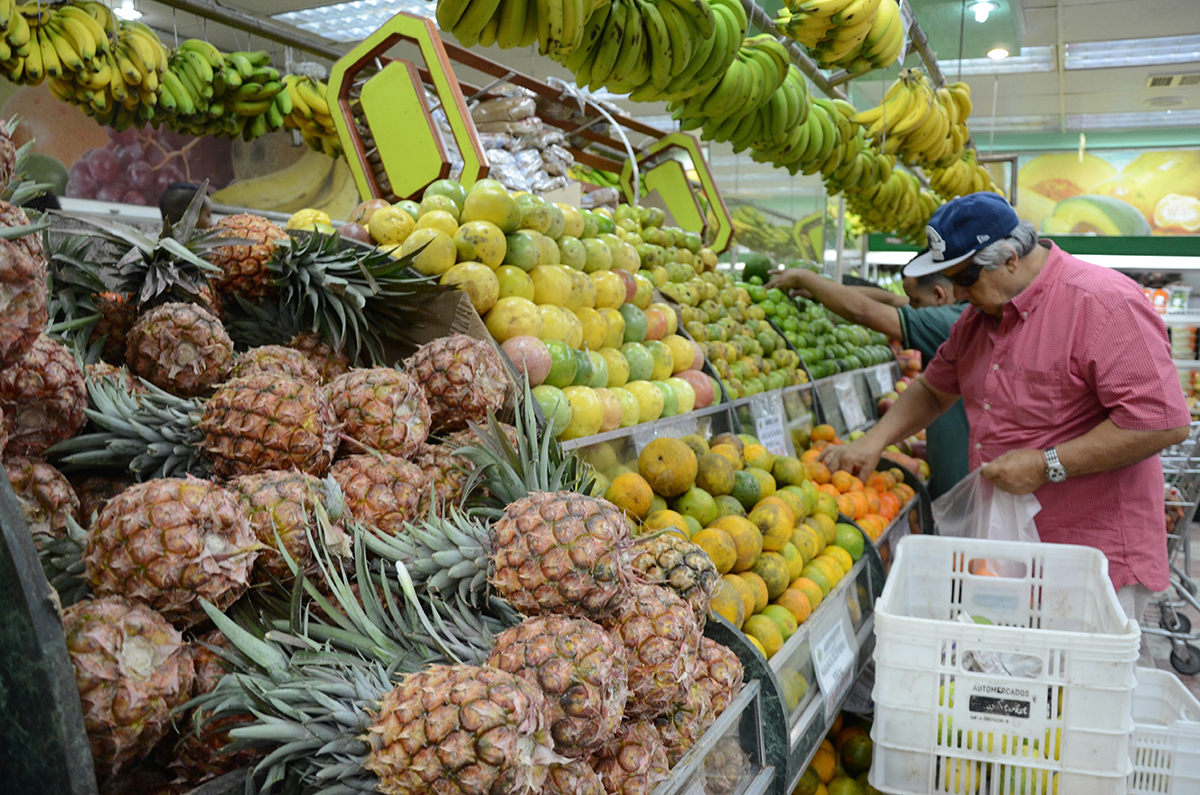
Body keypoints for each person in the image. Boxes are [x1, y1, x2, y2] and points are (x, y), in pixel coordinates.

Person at [822, 192, 1191, 619]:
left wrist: (1045, 464)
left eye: (966, 278)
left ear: (1011, 257)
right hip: (1009, 544)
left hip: (1088, 555)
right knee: (1015, 678)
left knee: (1075, 681)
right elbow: (935, 389)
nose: (958, 293)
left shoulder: (1102, 303)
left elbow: (1159, 423)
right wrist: (873, 441)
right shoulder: (976, 322)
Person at [764, 261, 970, 498]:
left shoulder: (951, 322)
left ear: (939, 295)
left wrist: (806, 278)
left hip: (963, 483)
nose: (911, 307)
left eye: (915, 301)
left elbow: (864, 311)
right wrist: (821, 291)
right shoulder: (957, 312)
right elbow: (891, 300)